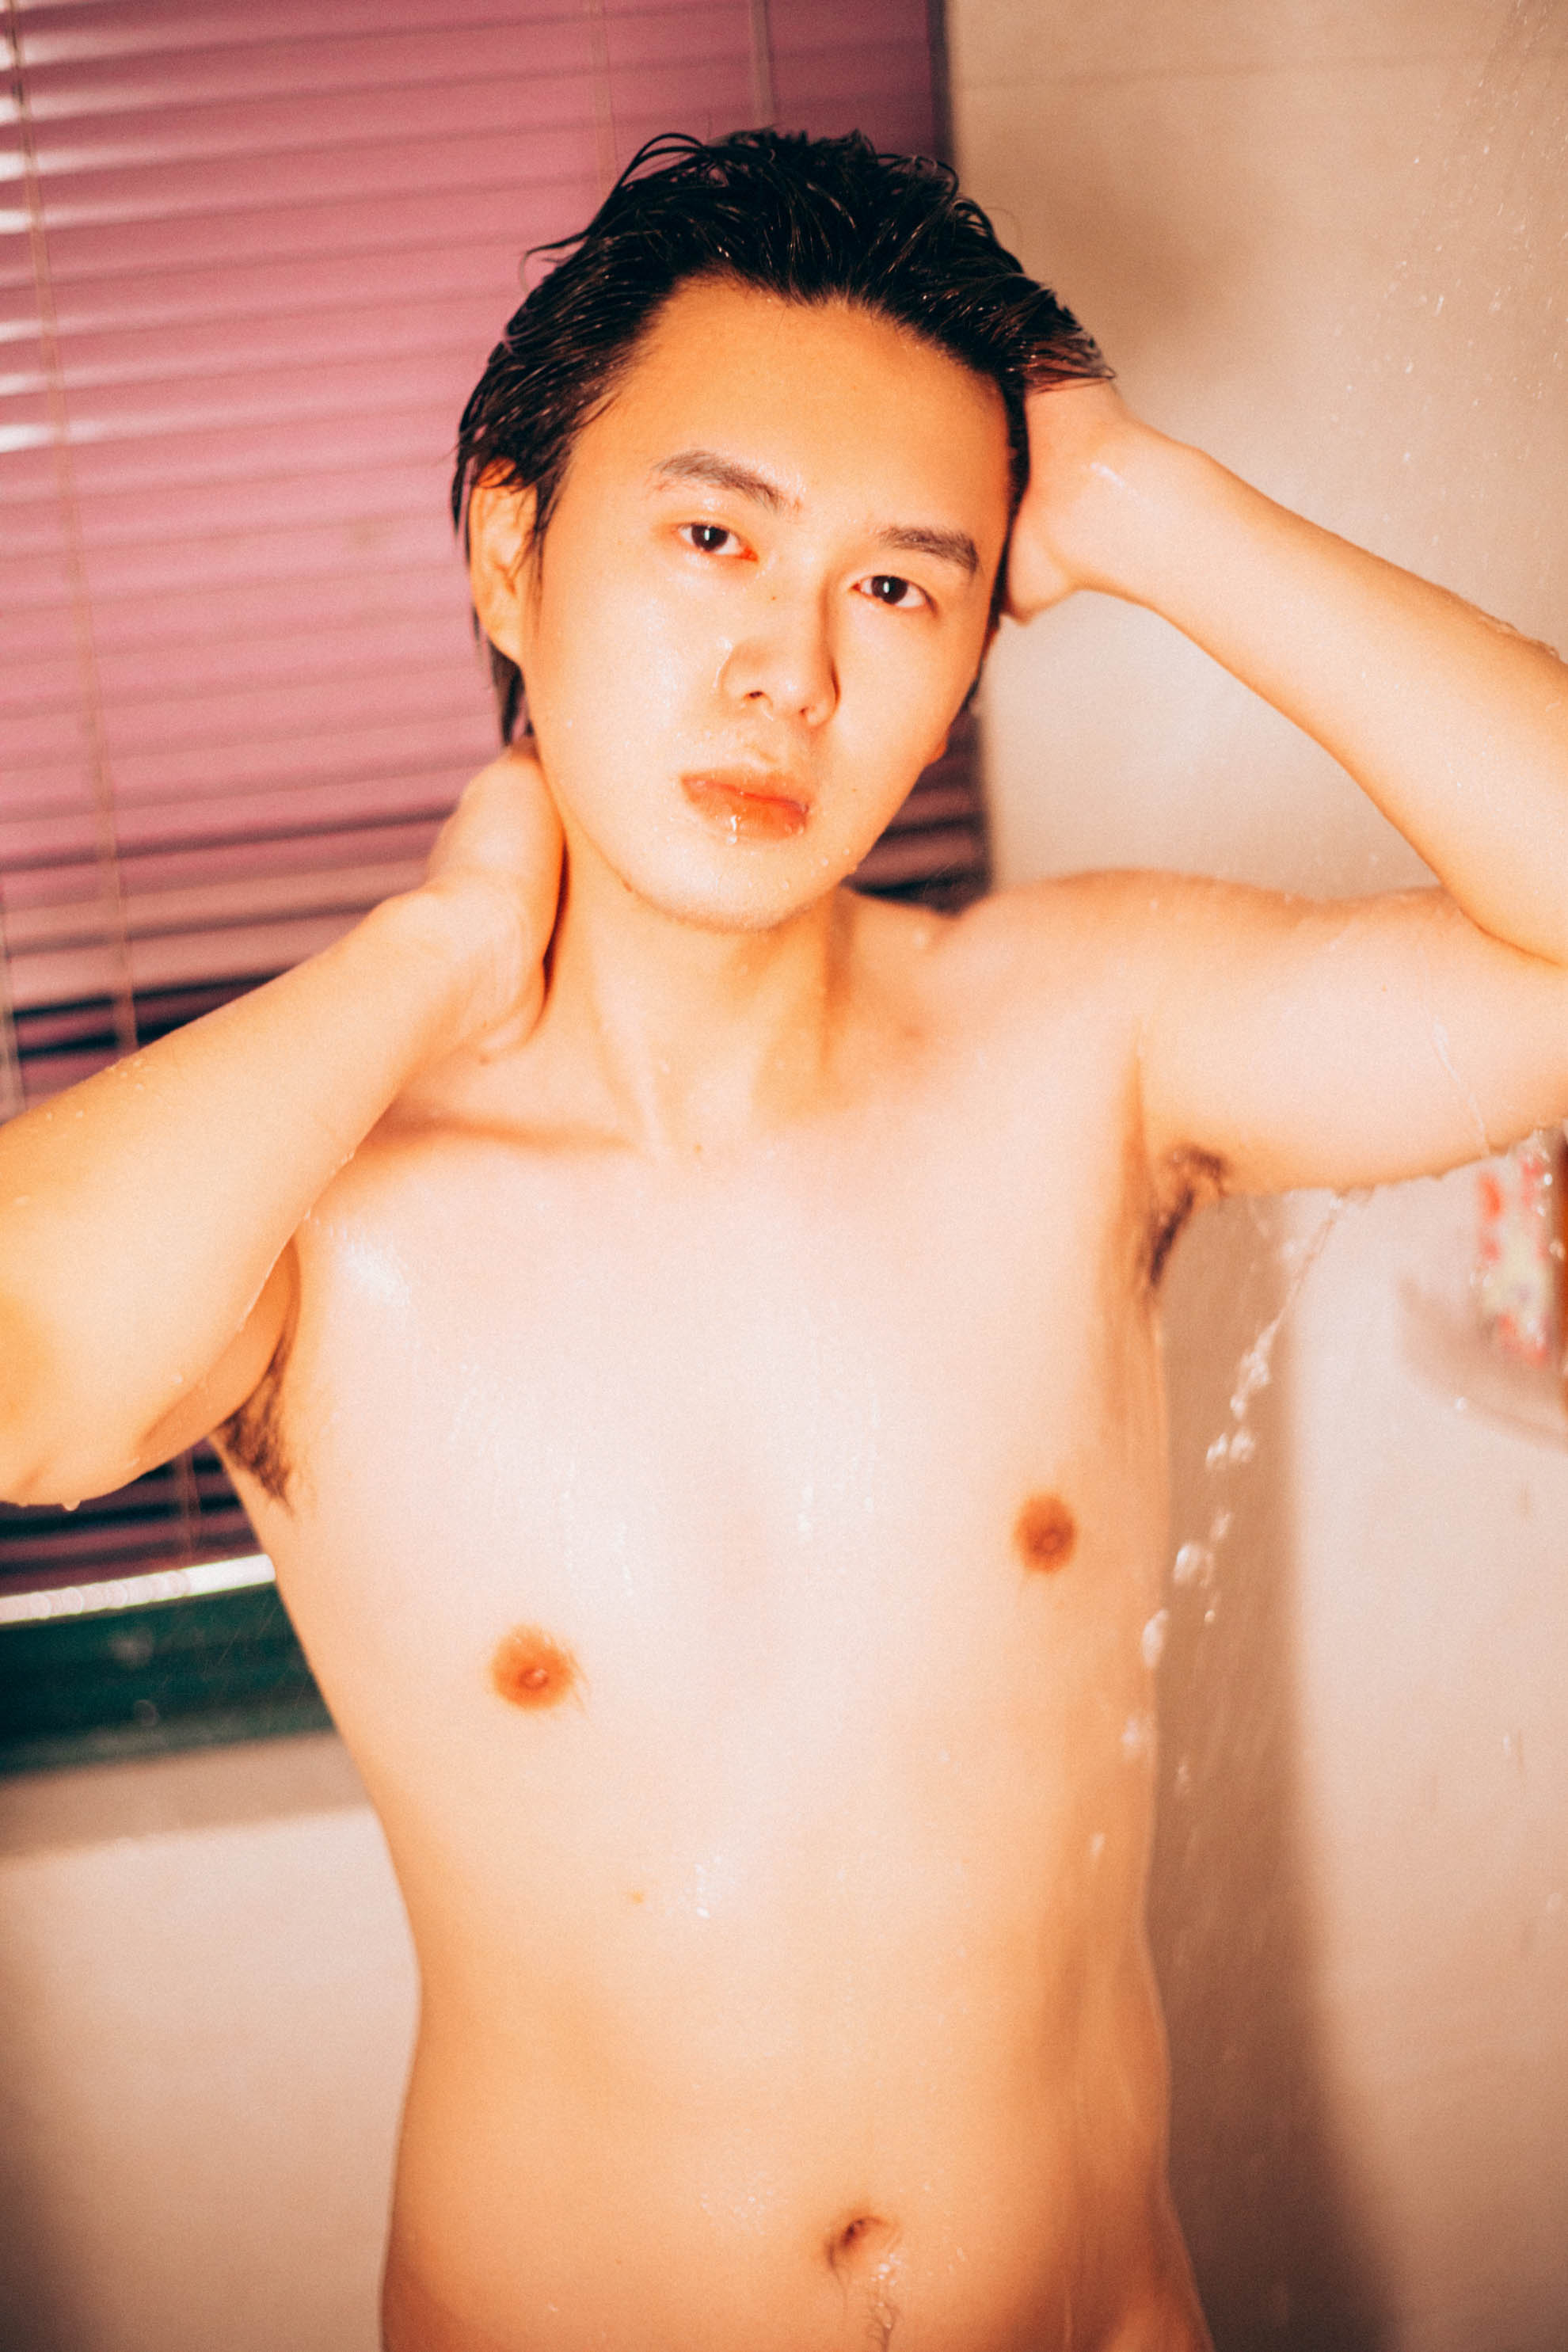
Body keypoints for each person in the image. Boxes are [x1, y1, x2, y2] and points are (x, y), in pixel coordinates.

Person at [2, 127, 1566, 2352]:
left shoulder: (1080, 1043)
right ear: (509, 551)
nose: (791, 674)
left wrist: (1141, 506)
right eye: (716, 536)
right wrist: (439, 954)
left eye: (899, 588)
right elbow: (29, 1387)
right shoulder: (331, 1205)